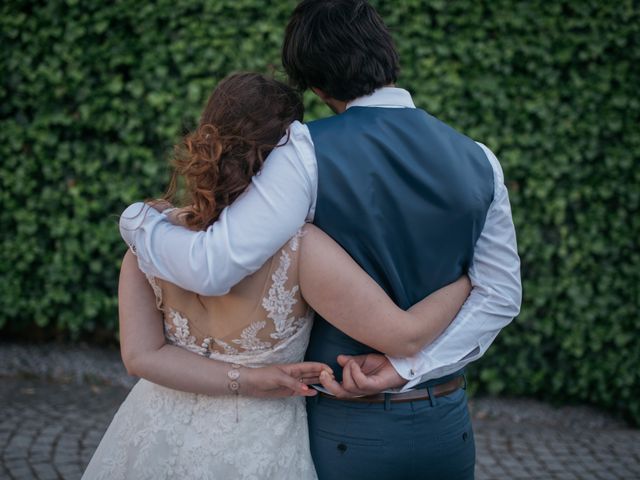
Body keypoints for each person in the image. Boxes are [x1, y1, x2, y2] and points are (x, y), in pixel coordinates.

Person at [120, 1, 522, 478]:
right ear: (387, 54)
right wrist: (411, 367)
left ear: (314, 84)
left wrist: (138, 222)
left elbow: (215, 264)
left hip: (345, 425)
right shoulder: (482, 159)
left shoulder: (304, 149)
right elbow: (501, 295)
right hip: (448, 424)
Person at [83, 72, 473, 479]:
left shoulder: (151, 236)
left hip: (151, 434)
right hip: (256, 446)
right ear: (286, 153)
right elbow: (404, 335)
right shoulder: (301, 248)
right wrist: (467, 281)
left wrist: (244, 380)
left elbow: (141, 356)